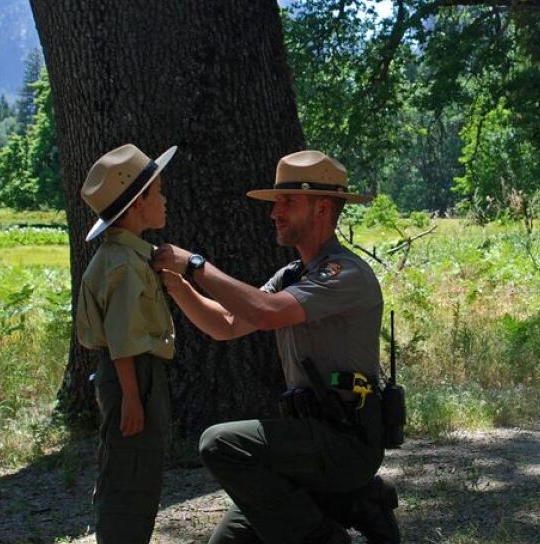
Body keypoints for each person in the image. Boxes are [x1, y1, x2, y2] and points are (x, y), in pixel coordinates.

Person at [151, 150, 399, 544]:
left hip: (345, 443)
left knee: (220, 443)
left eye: (288, 202)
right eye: (276, 202)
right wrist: (178, 286)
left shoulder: (345, 273)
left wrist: (196, 264)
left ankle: (324, 535)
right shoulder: (294, 275)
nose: (274, 213)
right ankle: (355, 501)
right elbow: (227, 323)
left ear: (321, 209)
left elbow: (266, 312)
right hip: (306, 441)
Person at [75, 143, 178, 544]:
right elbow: (122, 339)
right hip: (133, 376)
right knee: (132, 475)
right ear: (137, 204)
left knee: (135, 469)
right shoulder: (124, 264)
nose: (165, 200)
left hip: (132, 375)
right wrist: (134, 398)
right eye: (158, 192)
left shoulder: (127, 256)